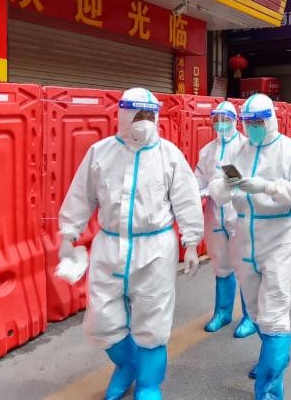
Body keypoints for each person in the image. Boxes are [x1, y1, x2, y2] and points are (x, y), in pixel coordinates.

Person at [57, 87, 204, 400]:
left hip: (155, 249)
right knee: (101, 321)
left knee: (152, 320)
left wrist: (191, 242)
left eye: (149, 116)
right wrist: (69, 233)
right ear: (123, 115)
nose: (144, 122)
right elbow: (82, 195)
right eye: (137, 115)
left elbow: (187, 201)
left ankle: (149, 384)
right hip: (109, 247)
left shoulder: (169, 156)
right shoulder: (101, 153)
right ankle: (127, 365)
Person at [209, 93, 291, 400]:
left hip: (278, 233)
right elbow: (216, 187)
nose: (253, 127)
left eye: (258, 122)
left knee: (275, 311)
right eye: (249, 122)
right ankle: (271, 358)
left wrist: (267, 186)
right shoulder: (237, 150)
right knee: (255, 310)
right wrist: (225, 186)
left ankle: (269, 390)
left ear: (270, 120)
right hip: (243, 233)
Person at [195, 101, 256, 338]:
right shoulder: (207, 151)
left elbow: (250, 179)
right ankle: (222, 312)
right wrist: (200, 191)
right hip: (214, 211)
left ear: (235, 121)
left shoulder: (245, 147)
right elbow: (198, 179)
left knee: (244, 262)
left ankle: (251, 316)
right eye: (216, 120)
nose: (220, 124)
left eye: (225, 119)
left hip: (237, 209)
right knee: (220, 262)